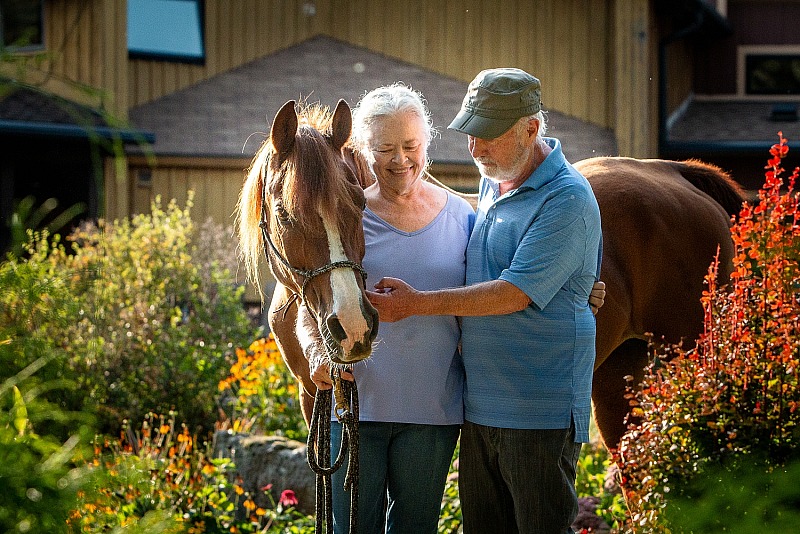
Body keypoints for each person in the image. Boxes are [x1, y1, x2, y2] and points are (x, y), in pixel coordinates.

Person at [367, 68, 603, 534]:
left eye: (488, 137)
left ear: (531, 129)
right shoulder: (494, 182)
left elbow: (513, 292)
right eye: (470, 134)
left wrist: (418, 304)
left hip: (538, 413)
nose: (475, 150)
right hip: (479, 409)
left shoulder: (567, 198)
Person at [310, 83, 475, 534]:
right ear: (365, 149)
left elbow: (500, 288)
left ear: (427, 143)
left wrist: (583, 291)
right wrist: (314, 352)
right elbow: (304, 298)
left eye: (410, 145)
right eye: (385, 148)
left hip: (433, 411)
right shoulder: (345, 217)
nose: (400, 159)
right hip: (356, 407)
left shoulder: (464, 219)